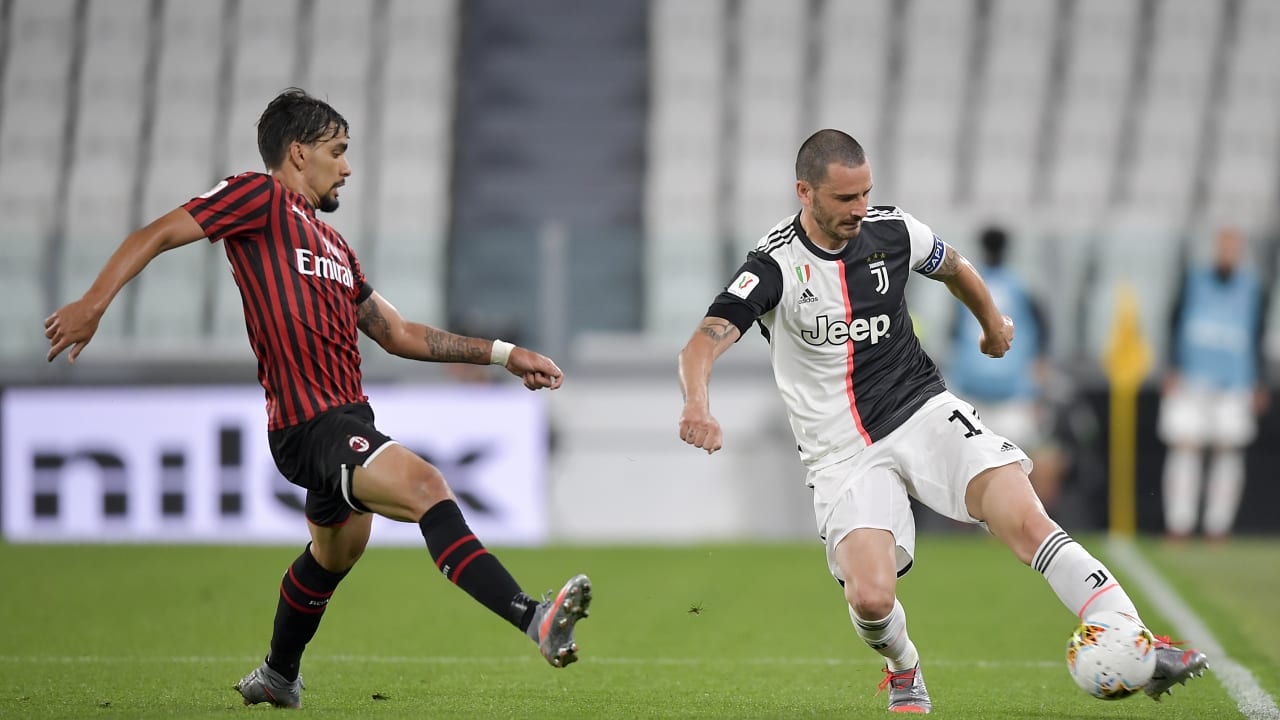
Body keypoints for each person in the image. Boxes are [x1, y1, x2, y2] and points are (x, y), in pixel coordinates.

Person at [44, 88, 591, 709]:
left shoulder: (336, 248)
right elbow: (160, 232)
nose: (348, 167)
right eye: (338, 151)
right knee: (427, 488)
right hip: (309, 426)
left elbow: (400, 333)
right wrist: (93, 304)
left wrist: (502, 353)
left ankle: (278, 674)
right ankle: (533, 619)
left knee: (334, 554)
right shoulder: (257, 197)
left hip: (347, 416)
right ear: (298, 153)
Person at [676, 129, 1208, 713]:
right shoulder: (774, 263)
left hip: (921, 408)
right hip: (839, 451)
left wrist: (992, 322)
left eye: (865, 194)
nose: (860, 210)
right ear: (805, 192)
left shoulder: (893, 230)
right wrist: (698, 405)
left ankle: (1135, 639)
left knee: (1027, 518)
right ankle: (904, 667)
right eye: (845, 199)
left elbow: (955, 266)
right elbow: (700, 345)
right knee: (873, 599)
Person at [1158, 226, 1268, 543]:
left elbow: (1257, 335)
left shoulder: (1252, 288)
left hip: (1235, 380)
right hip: (1191, 377)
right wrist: (1171, 366)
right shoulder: (1193, 281)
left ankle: (1218, 526)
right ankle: (1179, 523)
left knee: (1228, 451)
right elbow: (1173, 322)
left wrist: (1260, 381)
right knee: (1184, 446)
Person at [944, 226, 1066, 512]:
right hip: (1013, 391)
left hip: (974, 390)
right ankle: (1023, 517)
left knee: (971, 464)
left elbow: (953, 335)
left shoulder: (966, 283)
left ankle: (977, 521)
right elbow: (1044, 330)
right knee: (1018, 464)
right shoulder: (1022, 286)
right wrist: (1039, 371)